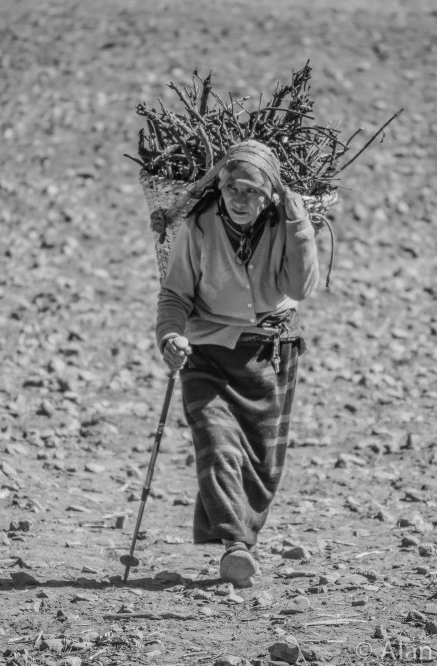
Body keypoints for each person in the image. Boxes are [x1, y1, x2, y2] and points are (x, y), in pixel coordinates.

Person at [155, 139, 320, 588]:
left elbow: (301, 287)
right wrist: (170, 336)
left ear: (270, 195)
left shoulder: (284, 224)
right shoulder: (199, 227)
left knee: (262, 465)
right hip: (207, 350)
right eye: (232, 189)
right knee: (216, 442)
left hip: (269, 351)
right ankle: (235, 547)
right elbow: (174, 296)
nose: (240, 199)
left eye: (251, 191)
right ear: (221, 190)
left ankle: (241, 537)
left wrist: (299, 221)